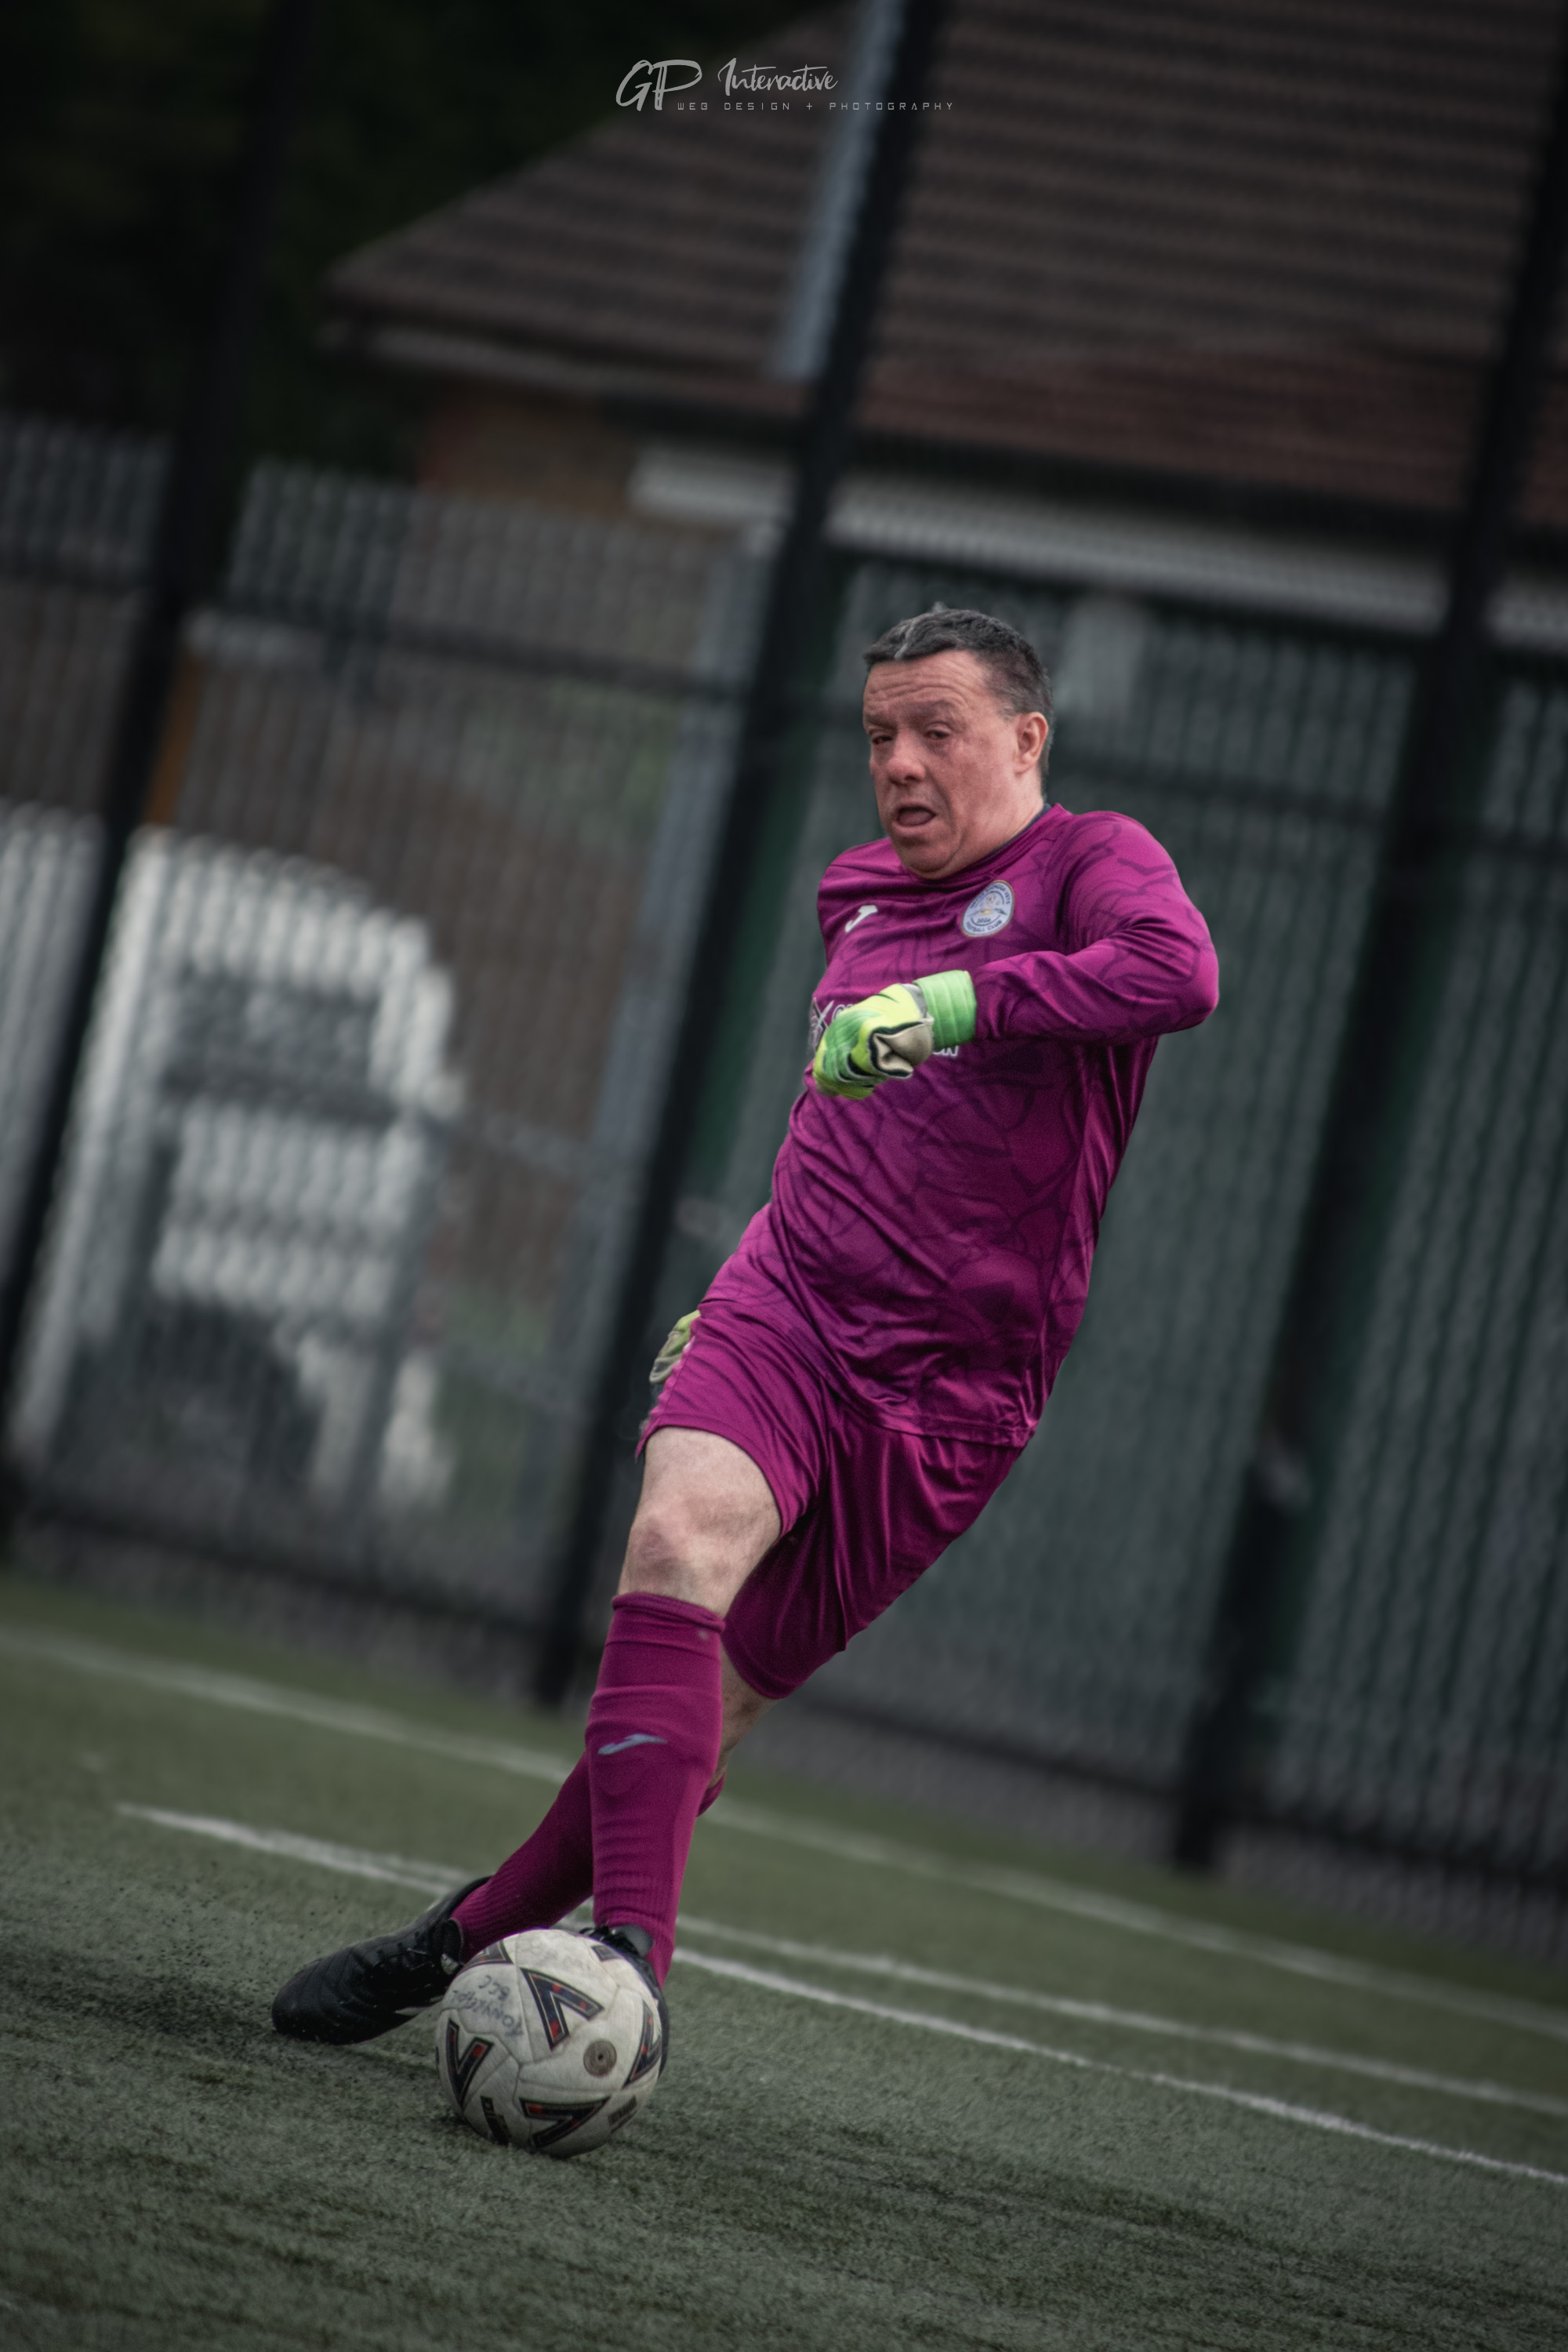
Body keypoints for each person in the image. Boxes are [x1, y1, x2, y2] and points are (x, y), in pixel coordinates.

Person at [271, 606, 1218, 2063]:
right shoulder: (856, 892)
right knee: (680, 1540)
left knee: (699, 1723)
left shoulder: (1096, 863)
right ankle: (628, 1969)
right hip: (792, 1307)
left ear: (1028, 741)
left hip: (958, 1393)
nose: (898, 766)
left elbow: (1180, 977)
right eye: (877, 737)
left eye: (936, 733)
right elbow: (840, 1113)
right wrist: (740, 1281)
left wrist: (958, 1003)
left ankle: (457, 1938)